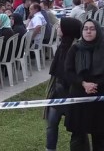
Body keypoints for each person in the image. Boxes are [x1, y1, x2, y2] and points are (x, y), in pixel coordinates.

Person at [64, 19, 104, 150]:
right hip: (79, 96)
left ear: (97, 30)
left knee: (100, 136)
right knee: (78, 137)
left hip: (100, 99)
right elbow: (68, 72)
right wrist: (84, 84)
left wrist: (95, 86)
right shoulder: (75, 48)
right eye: (85, 28)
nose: (88, 31)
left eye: (92, 29)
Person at [44, 18, 82, 151]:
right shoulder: (62, 45)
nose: (57, 28)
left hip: (72, 92)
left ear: (68, 29)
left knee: (77, 126)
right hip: (58, 91)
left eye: (60, 26)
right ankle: (50, 148)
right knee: (51, 123)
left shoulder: (77, 48)